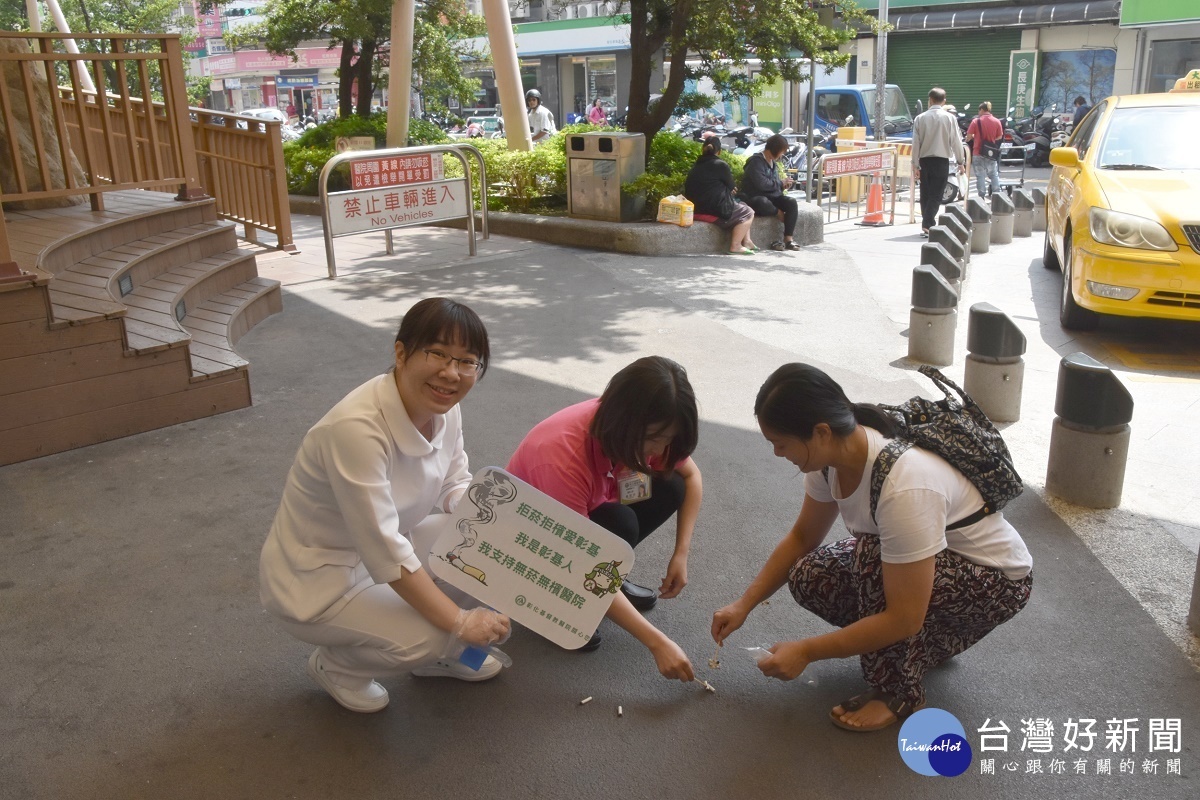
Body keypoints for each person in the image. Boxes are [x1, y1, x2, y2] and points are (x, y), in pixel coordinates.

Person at [712, 363, 1033, 732]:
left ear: (821, 432)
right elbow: (802, 538)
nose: (776, 453)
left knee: (873, 559)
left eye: (781, 443)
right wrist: (744, 604)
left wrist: (807, 651)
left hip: (994, 584)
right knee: (811, 575)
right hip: (936, 570)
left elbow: (905, 615)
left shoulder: (904, 484)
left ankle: (897, 692)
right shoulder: (828, 462)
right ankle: (922, 648)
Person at [259, 298, 512, 713]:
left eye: (468, 361)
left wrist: (494, 516)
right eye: (437, 354)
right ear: (400, 352)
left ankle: (443, 657)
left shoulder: (445, 408)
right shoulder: (356, 429)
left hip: (390, 543)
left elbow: (454, 483)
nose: (452, 373)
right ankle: (338, 666)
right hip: (322, 578)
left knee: (480, 546)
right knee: (429, 636)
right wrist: (460, 622)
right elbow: (388, 556)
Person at [507, 356, 701, 682]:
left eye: (667, 440)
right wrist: (658, 643)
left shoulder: (642, 428)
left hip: (587, 510)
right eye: (655, 439)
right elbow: (583, 561)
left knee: (670, 484)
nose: (660, 449)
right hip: (534, 542)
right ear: (623, 421)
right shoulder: (561, 459)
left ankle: (611, 582)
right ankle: (556, 602)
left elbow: (691, 477)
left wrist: (681, 552)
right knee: (620, 524)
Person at [683, 135, 757, 255]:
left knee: (742, 205)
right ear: (719, 151)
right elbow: (732, 187)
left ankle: (747, 241)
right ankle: (736, 245)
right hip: (714, 208)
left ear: (703, 149)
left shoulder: (696, 165)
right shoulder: (720, 165)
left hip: (695, 207)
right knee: (748, 212)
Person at [911, 87, 968, 236]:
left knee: (925, 193)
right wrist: (961, 161)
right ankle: (928, 224)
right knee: (936, 194)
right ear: (944, 101)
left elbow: (915, 144)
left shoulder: (920, 118)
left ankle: (927, 223)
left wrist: (915, 165)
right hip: (942, 160)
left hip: (924, 161)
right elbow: (956, 141)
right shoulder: (949, 118)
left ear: (929, 100)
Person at [741, 133, 801, 252]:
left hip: (772, 197)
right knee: (762, 202)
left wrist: (783, 186)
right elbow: (762, 184)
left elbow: (773, 184)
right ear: (775, 149)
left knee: (791, 202)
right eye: (781, 151)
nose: (782, 154)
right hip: (756, 197)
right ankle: (777, 212)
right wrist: (780, 183)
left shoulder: (773, 164)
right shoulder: (755, 162)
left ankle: (788, 239)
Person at [965, 101, 1004, 198]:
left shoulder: (976, 121)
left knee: (980, 175)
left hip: (978, 152)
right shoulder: (996, 121)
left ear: (982, 110)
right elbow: (999, 137)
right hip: (991, 153)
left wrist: (975, 137)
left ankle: (981, 196)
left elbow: (969, 136)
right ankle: (997, 195)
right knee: (993, 174)